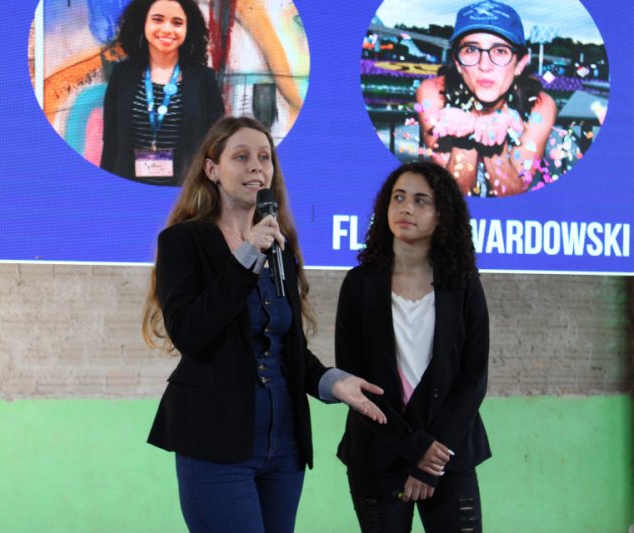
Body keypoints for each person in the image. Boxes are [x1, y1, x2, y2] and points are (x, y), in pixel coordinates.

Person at [143, 116, 387, 532]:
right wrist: (247, 255)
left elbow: (286, 347)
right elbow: (190, 333)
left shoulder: (280, 248)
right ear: (212, 170)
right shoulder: (183, 242)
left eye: (264, 157)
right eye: (241, 157)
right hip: (215, 440)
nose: (257, 166)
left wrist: (332, 382)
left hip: (284, 444)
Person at [335, 161, 491, 532]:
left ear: (442, 215)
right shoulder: (359, 284)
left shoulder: (463, 284)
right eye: (399, 198)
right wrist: (414, 446)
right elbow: (354, 385)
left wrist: (432, 458)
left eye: (421, 201)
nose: (406, 208)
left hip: (448, 455)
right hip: (378, 453)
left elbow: (474, 379)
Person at [415, 0, 557, 197]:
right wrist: (465, 138)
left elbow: (512, 194)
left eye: (500, 51)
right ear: (457, 62)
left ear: (520, 64)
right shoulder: (434, 93)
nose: (484, 65)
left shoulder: (539, 105)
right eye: (471, 49)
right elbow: (453, 196)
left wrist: (493, 143)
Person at [101, 0, 224, 185]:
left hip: (185, 192)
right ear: (142, 22)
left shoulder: (203, 79)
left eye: (177, 23)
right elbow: (111, 140)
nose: (167, 29)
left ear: (188, 28)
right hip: (130, 188)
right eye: (157, 19)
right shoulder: (122, 75)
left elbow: (216, 142)